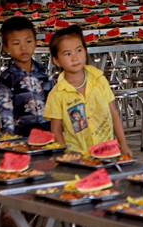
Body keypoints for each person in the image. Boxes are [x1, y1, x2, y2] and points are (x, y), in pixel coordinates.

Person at [44, 25, 129, 155]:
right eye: (67, 54)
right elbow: (55, 130)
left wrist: (123, 144)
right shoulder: (56, 94)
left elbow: (114, 115)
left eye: (78, 50)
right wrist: (64, 156)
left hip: (107, 151)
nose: (75, 57)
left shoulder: (99, 79)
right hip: (77, 155)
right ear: (56, 60)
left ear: (85, 50)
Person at [0, 16, 52, 136]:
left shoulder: (44, 72)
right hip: (21, 136)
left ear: (36, 43)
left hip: (48, 133)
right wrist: (9, 139)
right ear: (6, 47)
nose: (23, 47)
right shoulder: (6, 79)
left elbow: (54, 103)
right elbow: (6, 113)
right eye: (16, 43)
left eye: (28, 41)